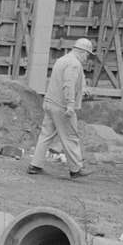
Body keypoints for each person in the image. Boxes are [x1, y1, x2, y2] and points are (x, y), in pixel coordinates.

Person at [26, 38, 95, 179]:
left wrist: (81, 90)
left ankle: (35, 165)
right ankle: (75, 169)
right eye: (87, 55)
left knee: (45, 135)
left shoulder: (62, 60)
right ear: (82, 52)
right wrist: (70, 105)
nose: (87, 58)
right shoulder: (74, 64)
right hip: (62, 107)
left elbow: (62, 81)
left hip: (50, 102)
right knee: (71, 137)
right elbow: (68, 84)